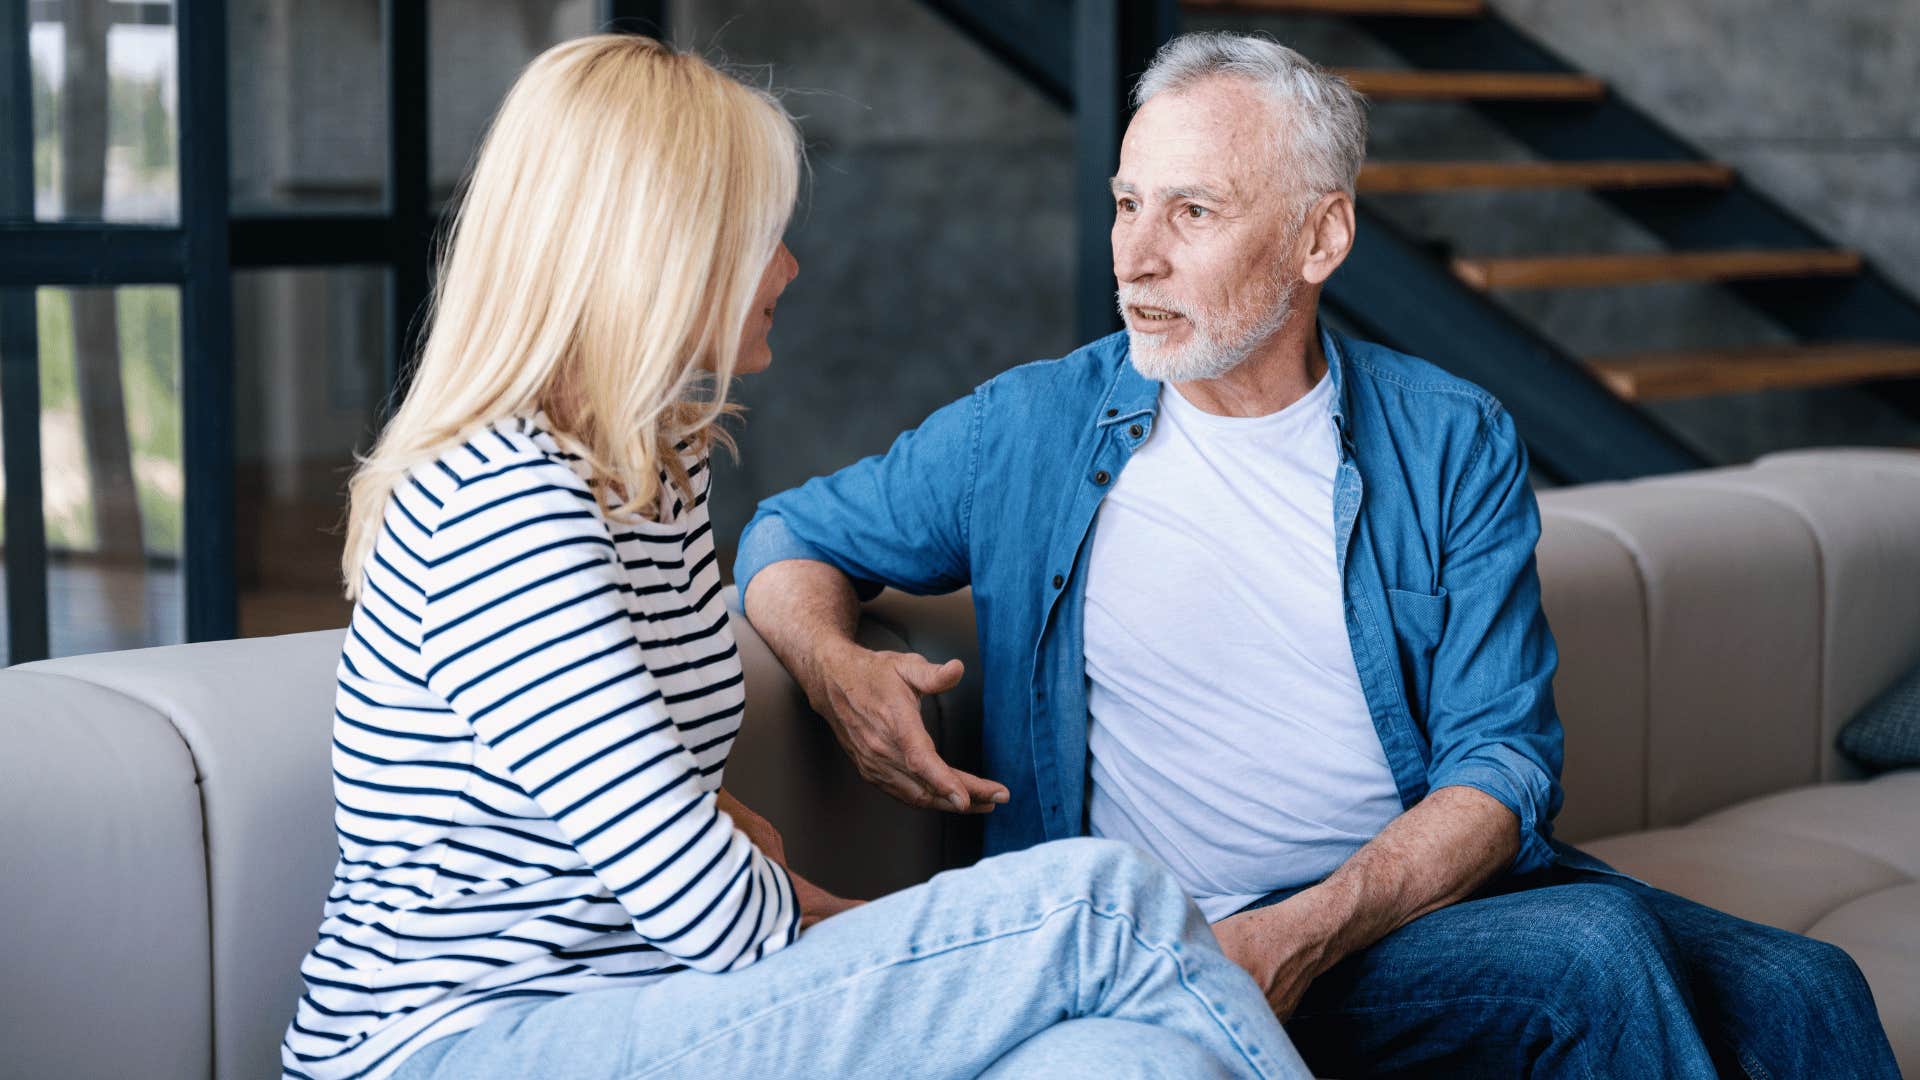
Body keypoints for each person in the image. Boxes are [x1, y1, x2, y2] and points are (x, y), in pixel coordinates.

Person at [736, 30, 1901, 1079]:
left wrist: (1305, 931)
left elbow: (1502, 761)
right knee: (1594, 959)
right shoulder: (1029, 427)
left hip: (1388, 909)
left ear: (1320, 236)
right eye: (1126, 203)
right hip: (1164, 933)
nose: (1134, 259)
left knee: (1812, 987)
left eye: (1192, 212)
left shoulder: (1451, 436)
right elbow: (791, 533)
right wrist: (833, 663)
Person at [282, 34, 1309, 1080]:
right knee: (1106, 903)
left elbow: (673, 844)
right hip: (461, 1049)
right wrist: (901, 934)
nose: (790, 266)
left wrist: (855, 920)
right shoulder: (504, 504)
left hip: (657, 1010)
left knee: (1121, 1062)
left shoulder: (656, 476)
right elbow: (699, 895)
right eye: (761, 234)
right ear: (658, 249)